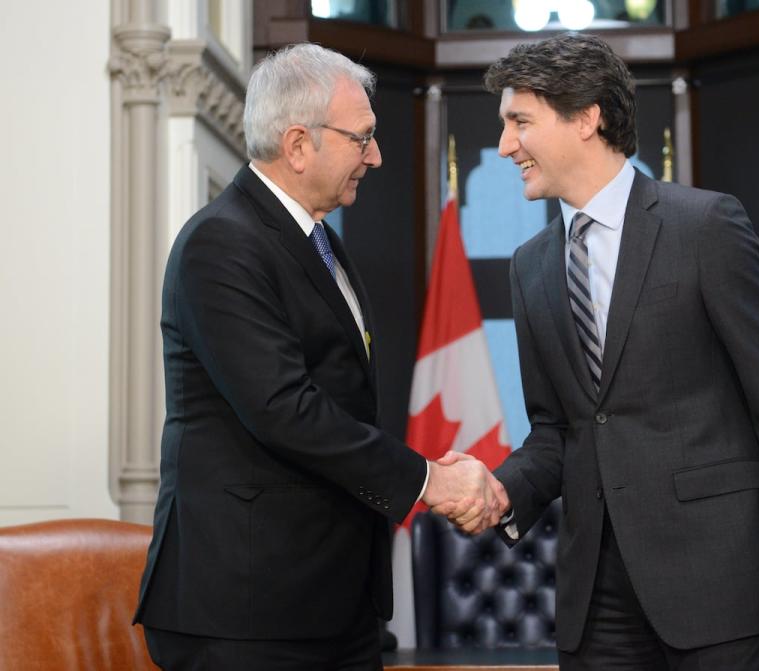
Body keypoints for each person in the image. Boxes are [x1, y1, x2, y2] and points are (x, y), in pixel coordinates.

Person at [438, 33, 759, 670]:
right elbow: (557, 432)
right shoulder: (531, 267)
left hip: (720, 585)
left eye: (520, 122)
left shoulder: (707, 227)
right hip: (595, 597)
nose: (505, 146)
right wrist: (498, 488)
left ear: (585, 117)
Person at [133, 43, 505, 671]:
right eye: (362, 138)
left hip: (331, 604)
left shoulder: (320, 242)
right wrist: (430, 480)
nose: (376, 156)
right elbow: (285, 410)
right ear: (299, 144)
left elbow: (341, 399)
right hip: (248, 614)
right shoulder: (220, 244)